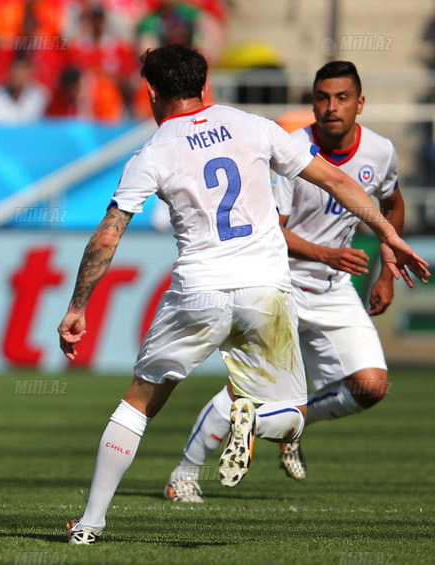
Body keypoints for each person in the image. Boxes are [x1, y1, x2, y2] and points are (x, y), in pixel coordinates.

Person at [57, 44, 428, 545]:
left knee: (138, 404)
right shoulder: (254, 125)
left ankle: (90, 524)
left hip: (199, 290)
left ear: (150, 91)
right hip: (267, 291)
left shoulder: (153, 152)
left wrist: (78, 306)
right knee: (292, 418)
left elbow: (107, 236)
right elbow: (337, 179)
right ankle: (253, 416)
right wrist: (388, 234)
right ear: (204, 83)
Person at [164, 60, 408, 503]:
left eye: (342, 98)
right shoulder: (291, 150)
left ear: (360, 103)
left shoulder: (380, 151)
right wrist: (323, 252)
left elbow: (391, 203)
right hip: (280, 285)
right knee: (243, 390)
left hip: (335, 289)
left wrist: (386, 275)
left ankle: (291, 427)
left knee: (371, 386)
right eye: (322, 98)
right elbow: (270, 226)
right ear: (312, 102)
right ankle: (183, 474)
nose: (331, 107)